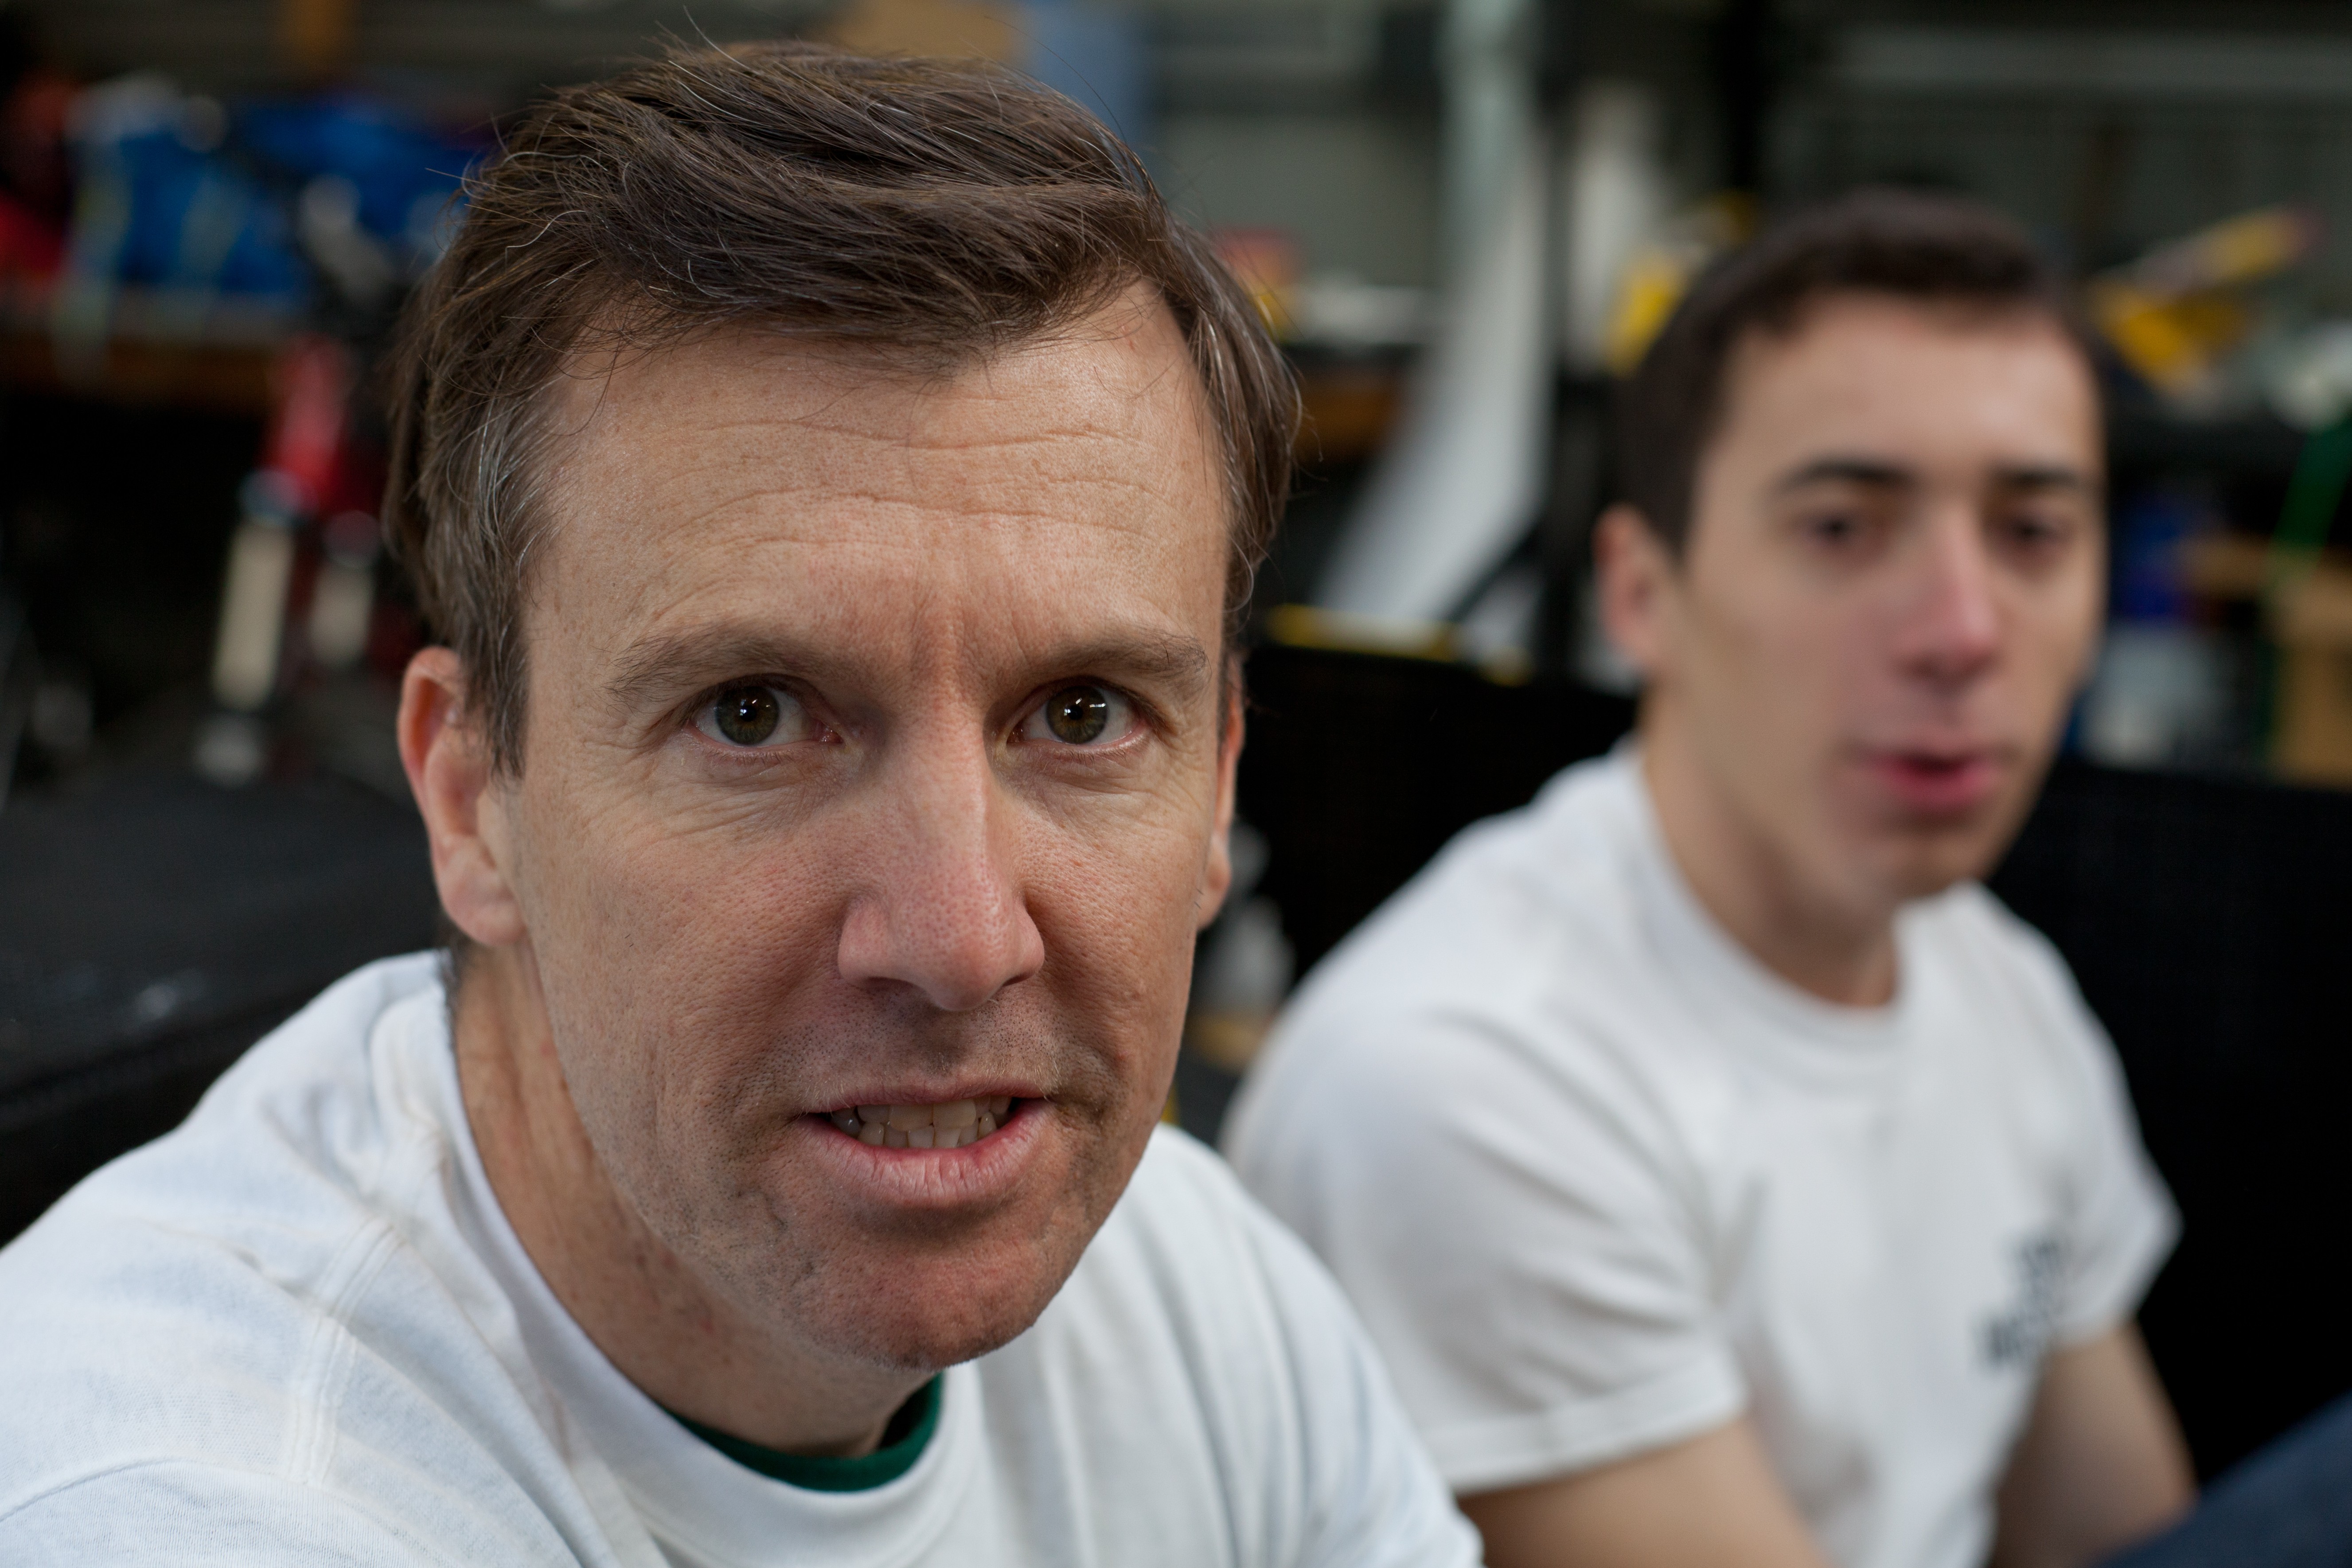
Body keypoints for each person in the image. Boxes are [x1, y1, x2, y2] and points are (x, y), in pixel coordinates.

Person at [0, 44, 1477, 1567]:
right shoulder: (198, 1506)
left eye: (1081, 714)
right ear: (470, 794)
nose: (961, 941)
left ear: (1220, 778)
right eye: (752, 715)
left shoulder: (1201, 1314)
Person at [1226, 190, 2196, 1568]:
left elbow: (2126, 1527)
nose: (1962, 630)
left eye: (2031, 533)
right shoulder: (1467, 1076)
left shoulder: (1997, 984)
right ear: (1640, 594)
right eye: (1842, 528)